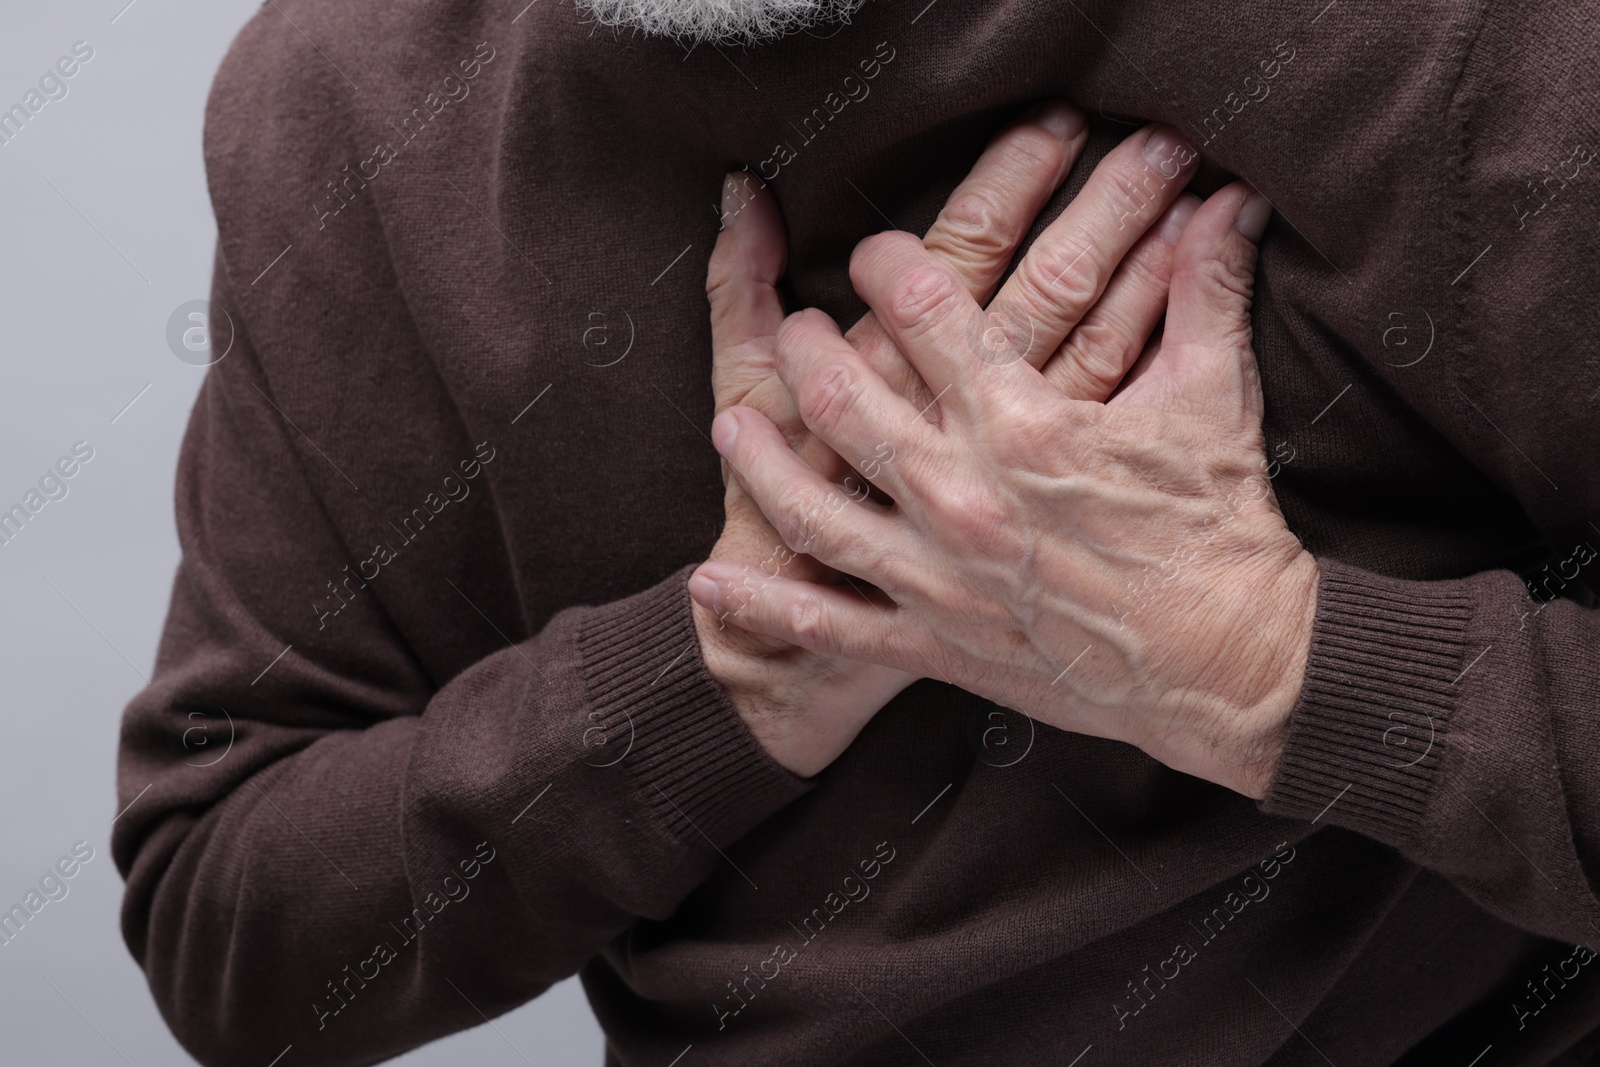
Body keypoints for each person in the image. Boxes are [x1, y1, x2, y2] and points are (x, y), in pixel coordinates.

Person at [114, 0, 1600, 1064]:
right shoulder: (343, 90)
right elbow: (233, 937)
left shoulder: (1449, 44)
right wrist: (720, 669)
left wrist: (1270, 661)